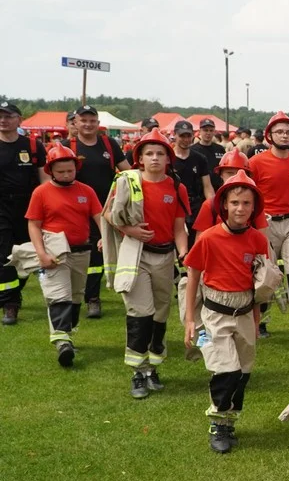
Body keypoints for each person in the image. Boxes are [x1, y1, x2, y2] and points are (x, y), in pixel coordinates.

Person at [183, 171, 270, 453]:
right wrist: (190, 320)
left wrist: (256, 320)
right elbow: (193, 276)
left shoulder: (258, 240)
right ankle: (217, 423)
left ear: (254, 207)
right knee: (225, 369)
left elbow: (258, 284)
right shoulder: (209, 238)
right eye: (235, 202)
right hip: (213, 316)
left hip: (244, 313)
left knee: (243, 372)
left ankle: (230, 421)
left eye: (246, 203)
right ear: (224, 205)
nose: (240, 209)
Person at [106, 130, 189, 399]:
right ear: (139, 158)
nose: (154, 158)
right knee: (141, 312)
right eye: (149, 153)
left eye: (160, 153)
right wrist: (129, 230)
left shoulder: (177, 187)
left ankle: (154, 367)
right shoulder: (126, 181)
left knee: (160, 315)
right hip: (136, 254)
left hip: (165, 258)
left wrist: (184, 255)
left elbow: (179, 228)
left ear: (168, 158)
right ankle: (138, 372)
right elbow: (107, 214)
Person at [25, 145, 102, 366]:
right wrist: (41, 253)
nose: (66, 175)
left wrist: (104, 238)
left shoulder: (86, 191)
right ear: (51, 171)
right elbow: (34, 225)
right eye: (61, 172)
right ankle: (61, 342)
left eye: (70, 170)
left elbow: (99, 217)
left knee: (76, 295)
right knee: (59, 294)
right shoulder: (41, 193)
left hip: (81, 250)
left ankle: (67, 334)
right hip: (54, 249)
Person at [67, 104, 130, 321]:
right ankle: (89, 298)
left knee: (108, 251)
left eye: (92, 120)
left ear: (98, 123)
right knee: (88, 253)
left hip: (108, 208)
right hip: (79, 209)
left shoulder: (109, 144)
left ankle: (103, 293)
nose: (88, 124)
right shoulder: (69, 146)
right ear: (75, 122)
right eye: (83, 120)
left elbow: (127, 170)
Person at [249, 112, 289, 330]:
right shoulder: (255, 162)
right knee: (266, 273)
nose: (284, 136)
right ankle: (261, 323)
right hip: (266, 223)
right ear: (269, 136)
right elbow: (249, 197)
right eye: (279, 132)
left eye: (288, 132)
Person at [0, 101, 46, 325]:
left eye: (8, 116)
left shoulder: (34, 146)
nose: (3, 120)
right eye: (0, 116)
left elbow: (45, 180)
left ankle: (13, 290)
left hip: (28, 208)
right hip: (1, 208)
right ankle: (10, 304)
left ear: (19, 119)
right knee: (4, 255)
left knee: (28, 256)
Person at [171, 120, 215, 245]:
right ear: (175, 135)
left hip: (195, 207)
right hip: (175, 207)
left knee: (195, 243)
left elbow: (207, 186)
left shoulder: (199, 158)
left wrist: (212, 208)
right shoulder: (168, 158)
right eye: (182, 136)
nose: (186, 139)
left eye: (188, 136)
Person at [193, 118, 226, 190]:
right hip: (199, 189)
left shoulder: (220, 149)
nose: (208, 133)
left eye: (211, 130)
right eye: (205, 130)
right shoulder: (193, 150)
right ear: (200, 132)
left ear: (214, 132)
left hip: (218, 188)